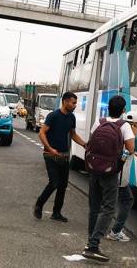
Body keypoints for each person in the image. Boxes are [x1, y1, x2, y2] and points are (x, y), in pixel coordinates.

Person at [82, 95, 135, 262]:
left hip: (93, 169)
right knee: (109, 208)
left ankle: (91, 243)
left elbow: (91, 142)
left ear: (108, 108)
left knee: (94, 207)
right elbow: (131, 148)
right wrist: (121, 161)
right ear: (123, 110)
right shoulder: (124, 125)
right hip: (110, 172)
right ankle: (93, 246)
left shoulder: (100, 122)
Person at [33, 92, 86, 222]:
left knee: (63, 185)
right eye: (73, 103)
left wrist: (84, 144)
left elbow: (73, 134)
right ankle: (39, 204)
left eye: (75, 103)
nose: (75, 105)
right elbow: (42, 133)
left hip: (64, 156)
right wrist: (50, 149)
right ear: (65, 102)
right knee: (54, 183)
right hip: (50, 155)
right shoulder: (53, 116)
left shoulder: (71, 118)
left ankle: (56, 213)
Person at [107, 110, 137, 242]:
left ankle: (99, 228)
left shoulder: (116, 129)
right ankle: (115, 231)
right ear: (134, 124)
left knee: (106, 201)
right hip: (121, 175)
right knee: (127, 200)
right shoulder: (135, 137)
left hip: (107, 171)